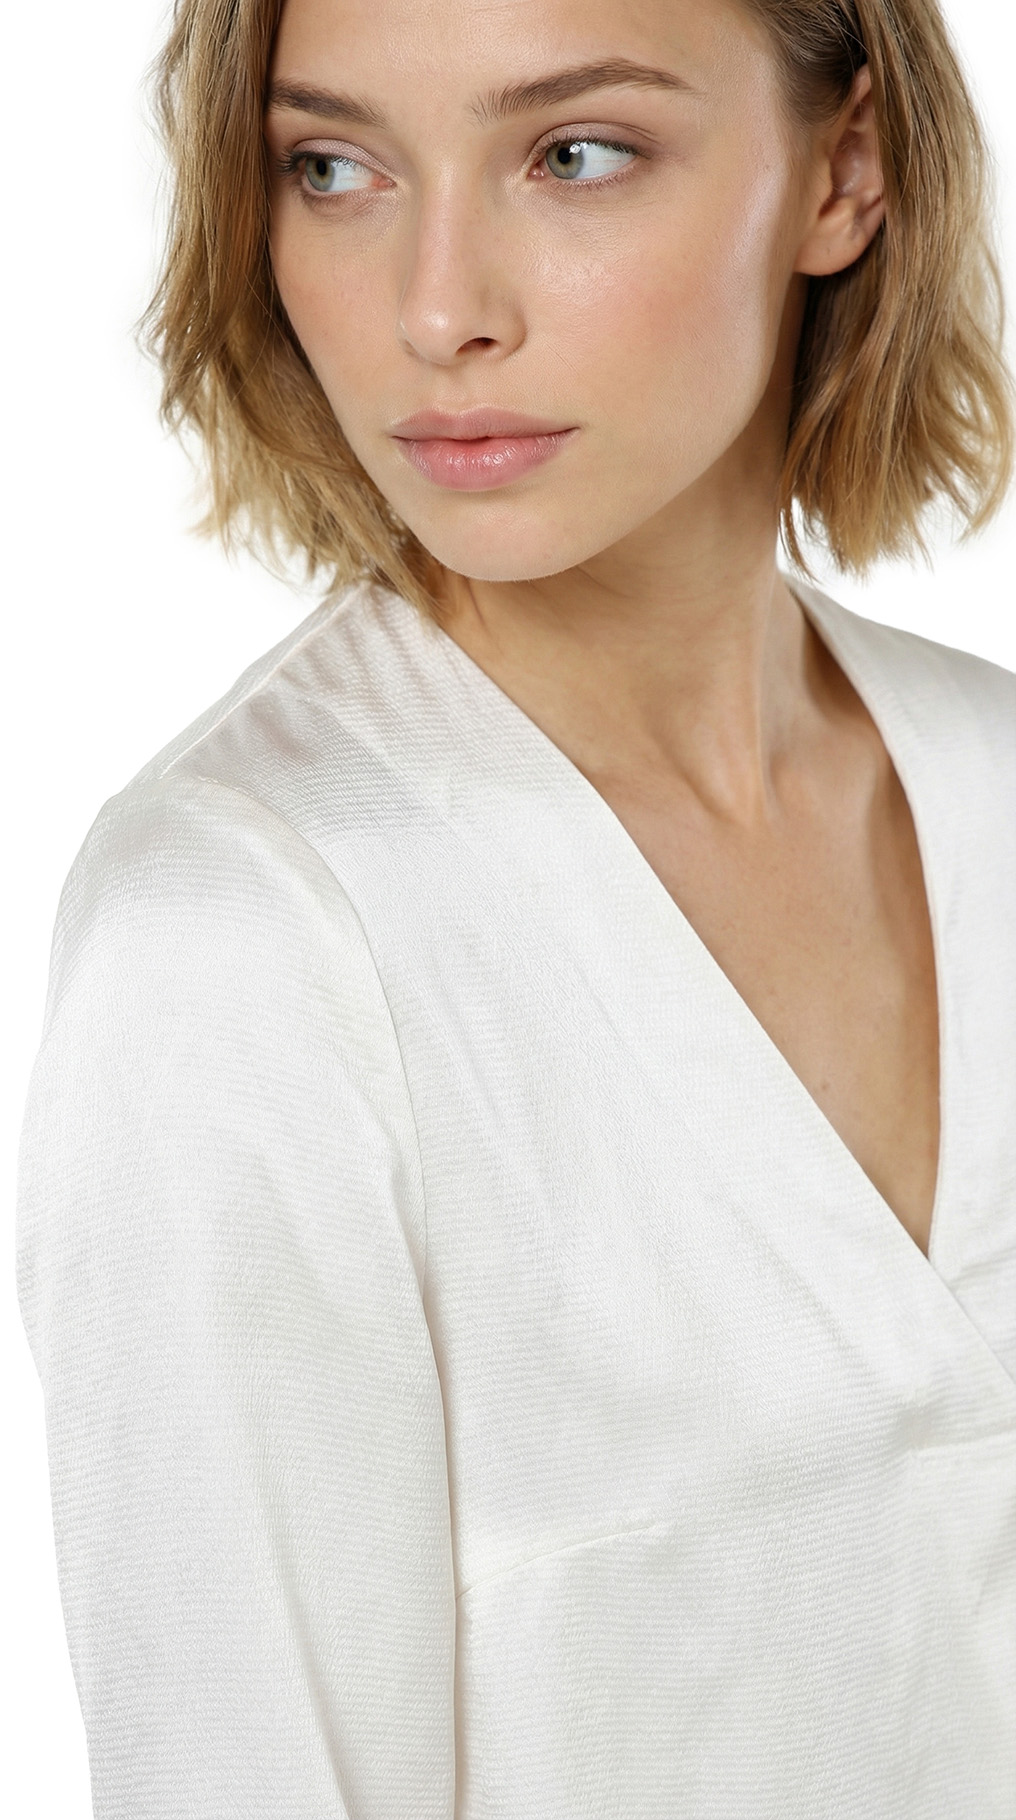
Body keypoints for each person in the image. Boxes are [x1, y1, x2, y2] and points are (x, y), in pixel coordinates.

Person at [15, 0, 1015, 1813]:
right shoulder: (248, 938)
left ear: (845, 170)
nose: (436, 309)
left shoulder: (995, 783)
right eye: (335, 168)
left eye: (574, 153)